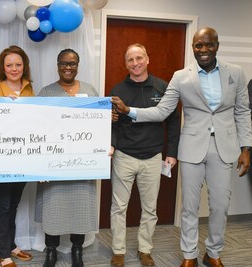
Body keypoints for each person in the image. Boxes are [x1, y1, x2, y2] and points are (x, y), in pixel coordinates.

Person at [111, 27, 252, 267]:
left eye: (209, 44)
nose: (204, 49)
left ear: (217, 45)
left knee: (220, 205)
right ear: (193, 47)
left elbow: (242, 111)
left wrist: (246, 147)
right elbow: (163, 111)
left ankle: (213, 252)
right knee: (189, 206)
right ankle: (189, 255)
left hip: (224, 148)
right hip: (192, 147)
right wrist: (129, 111)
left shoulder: (236, 73)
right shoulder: (181, 77)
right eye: (198, 45)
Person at [109, 44, 180, 267]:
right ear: (126, 63)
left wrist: (172, 152)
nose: (135, 63)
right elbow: (112, 123)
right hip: (124, 156)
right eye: (130, 59)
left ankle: (145, 249)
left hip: (152, 157)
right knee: (119, 207)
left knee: (150, 208)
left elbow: (173, 121)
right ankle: (118, 251)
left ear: (148, 59)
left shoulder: (162, 87)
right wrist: (111, 144)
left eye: (139, 58)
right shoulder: (118, 89)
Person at [35, 48, 99, 267]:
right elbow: (36, 128)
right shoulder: (46, 92)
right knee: (54, 206)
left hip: (82, 163)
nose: (68, 68)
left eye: (72, 63)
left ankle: (77, 250)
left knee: (80, 205)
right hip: (54, 162)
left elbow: (98, 125)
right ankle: (50, 251)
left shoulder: (90, 91)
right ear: (57, 65)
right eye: (63, 63)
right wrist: (41, 165)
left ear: (78, 65)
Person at [0, 45, 34, 267]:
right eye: (9, 65)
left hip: (23, 158)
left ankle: (11, 245)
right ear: (2, 68)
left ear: (24, 66)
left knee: (14, 204)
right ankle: (2, 252)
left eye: (18, 64)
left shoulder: (29, 89)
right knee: (3, 204)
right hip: (2, 160)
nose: (14, 69)